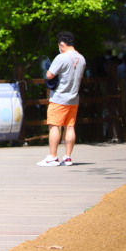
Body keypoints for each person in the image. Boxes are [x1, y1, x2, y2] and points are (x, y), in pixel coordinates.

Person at [37, 31, 86, 167]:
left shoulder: (61, 57)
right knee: (70, 127)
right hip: (73, 98)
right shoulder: (81, 58)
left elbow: (50, 75)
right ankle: (68, 157)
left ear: (62, 44)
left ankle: (53, 157)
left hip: (59, 98)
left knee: (54, 126)